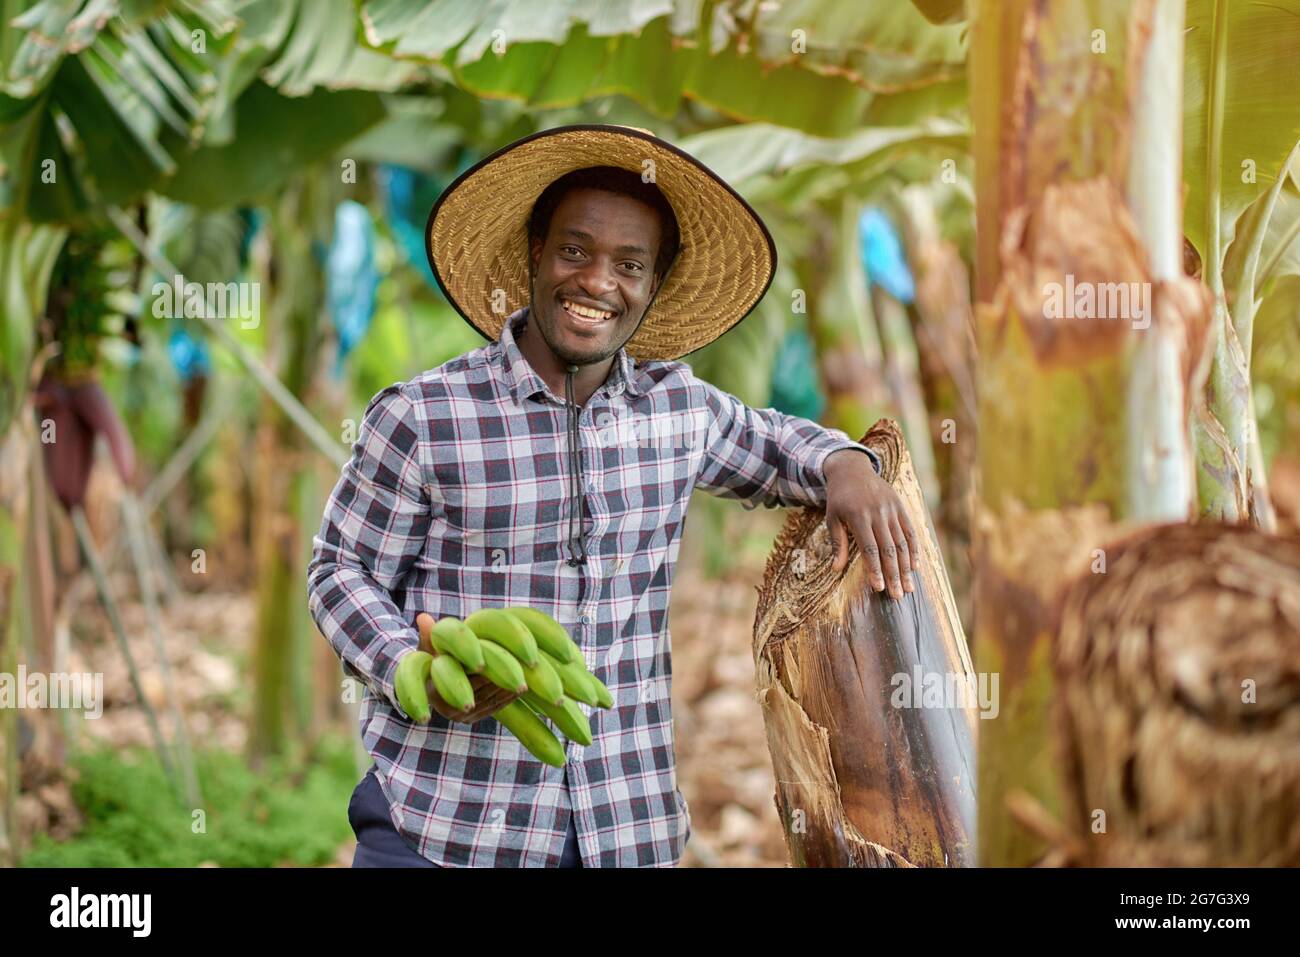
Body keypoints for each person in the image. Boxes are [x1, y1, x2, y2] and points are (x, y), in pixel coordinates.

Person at [307, 124, 919, 868]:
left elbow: (780, 445)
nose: (598, 281)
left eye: (630, 263)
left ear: (653, 284)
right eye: (575, 251)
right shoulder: (426, 414)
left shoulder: (677, 409)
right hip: (446, 830)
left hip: (623, 830)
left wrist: (848, 465)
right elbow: (340, 568)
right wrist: (409, 664)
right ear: (536, 252)